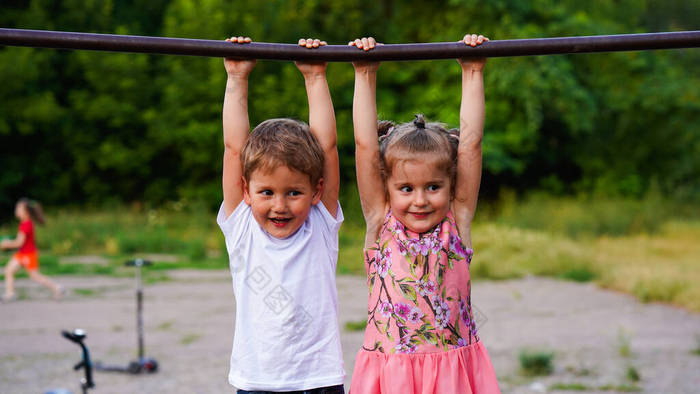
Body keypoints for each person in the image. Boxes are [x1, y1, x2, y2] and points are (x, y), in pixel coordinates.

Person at [347, 35, 500, 393]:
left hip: (450, 373)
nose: (420, 200)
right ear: (387, 188)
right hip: (392, 372)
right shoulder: (381, 222)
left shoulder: (456, 221)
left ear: (450, 185)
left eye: (433, 187)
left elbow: (472, 144)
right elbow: (365, 145)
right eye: (406, 189)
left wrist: (473, 70)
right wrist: (364, 72)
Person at [217, 36, 345, 393]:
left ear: (316, 191)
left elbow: (327, 148)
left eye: (294, 193)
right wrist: (237, 76)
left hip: (319, 379)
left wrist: (315, 76)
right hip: (257, 381)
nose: (279, 205)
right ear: (246, 191)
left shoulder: (320, 223)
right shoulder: (242, 226)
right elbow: (233, 148)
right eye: (267, 193)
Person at [2, 198, 63, 302]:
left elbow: (18, 242)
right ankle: (10, 294)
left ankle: (57, 288)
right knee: (9, 270)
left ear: (26, 211)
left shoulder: (26, 225)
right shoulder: (25, 223)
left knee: (35, 276)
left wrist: (6, 244)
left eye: (18, 208)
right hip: (22, 253)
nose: (16, 210)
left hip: (29, 255)